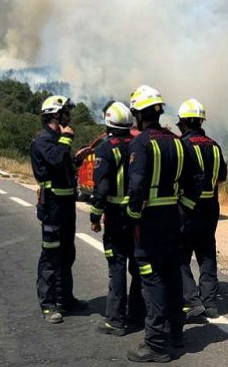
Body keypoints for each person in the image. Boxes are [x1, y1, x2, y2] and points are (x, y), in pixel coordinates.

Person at [124, 85, 204, 363]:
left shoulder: (141, 143)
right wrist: (186, 210)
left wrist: (132, 217)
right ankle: (176, 335)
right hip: (175, 220)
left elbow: (136, 188)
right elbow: (198, 179)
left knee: (152, 281)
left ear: (139, 114)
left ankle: (156, 344)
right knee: (172, 276)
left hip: (149, 225)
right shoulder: (180, 142)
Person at [90, 101, 145, 336]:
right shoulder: (137, 144)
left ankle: (115, 320)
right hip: (136, 216)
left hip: (114, 217)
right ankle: (136, 314)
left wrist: (95, 215)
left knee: (117, 266)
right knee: (137, 266)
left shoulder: (104, 148)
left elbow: (101, 187)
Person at [30, 95, 85, 323]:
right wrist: (67, 140)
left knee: (67, 253)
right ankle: (49, 305)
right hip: (52, 206)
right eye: (66, 112)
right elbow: (54, 160)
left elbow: (64, 165)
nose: (69, 116)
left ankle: (65, 298)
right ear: (55, 115)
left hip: (66, 205)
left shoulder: (58, 140)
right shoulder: (44, 140)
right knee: (51, 256)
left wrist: (77, 160)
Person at [176, 99, 228, 320]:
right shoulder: (214, 146)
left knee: (180, 256)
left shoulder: (183, 146)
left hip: (188, 209)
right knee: (206, 254)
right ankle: (210, 303)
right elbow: (222, 176)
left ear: (185, 122)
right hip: (211, 209)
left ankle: (191, 300)